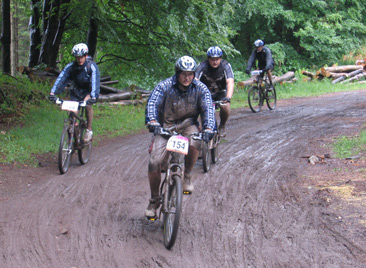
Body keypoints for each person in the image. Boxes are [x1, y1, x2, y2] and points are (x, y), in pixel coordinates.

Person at [145, 56, 215, 218]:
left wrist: (209, 127)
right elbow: (153, 103)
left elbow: (208, 110)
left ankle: (187, 176)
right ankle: (154, 199)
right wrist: (153, 121)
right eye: (183, 73)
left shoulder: (200, 88)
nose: (187, 77)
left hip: (187, 125)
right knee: (154, 162)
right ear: (177, 73)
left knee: (195, 140)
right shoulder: (164, 86)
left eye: (190, 74)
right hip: (165, 127)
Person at [48, 43, 100, 142]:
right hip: (76, 91)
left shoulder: (91, 67)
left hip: (88, 92)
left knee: (88, 106)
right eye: (77, 57)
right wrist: (53, 93)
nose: (79, 60)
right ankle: (74, 136)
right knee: (73, 114)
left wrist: (93, 97)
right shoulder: (71, 67)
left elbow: (95, 82)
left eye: (81, 57)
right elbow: (61, 78)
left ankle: (89, 130)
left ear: (85, 56)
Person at [195, 46, 234, 137]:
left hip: (221, 93)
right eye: (212, 59)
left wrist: (228, 97)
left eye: (217, 59)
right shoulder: (202, 66)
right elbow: (195, 80)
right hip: (205, 93)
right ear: (208, 59)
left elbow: (230, 82)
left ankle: (222, 125)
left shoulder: (225, 66)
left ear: (221, 58)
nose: (215, 61)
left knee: (226, 106)